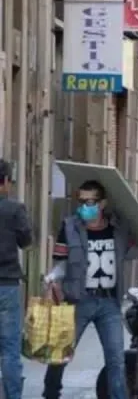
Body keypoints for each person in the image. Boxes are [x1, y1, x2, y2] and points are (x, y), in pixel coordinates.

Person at [43, 180, 138, 399]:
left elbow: (137, 251)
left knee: (116, 360)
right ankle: (50, 394)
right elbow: (61, 262)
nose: (84, 207)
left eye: (90, 202)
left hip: (109, 303)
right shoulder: (70, 227)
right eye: (81, 202)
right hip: (79, 301)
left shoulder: (118, 230)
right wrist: (53, 278)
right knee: (60, 355)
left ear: (102, 204)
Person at [0, 160, 33, 399]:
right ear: (5, 182)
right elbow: (26, 241)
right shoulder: (14, 209)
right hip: (7, 285)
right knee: (10, 348)